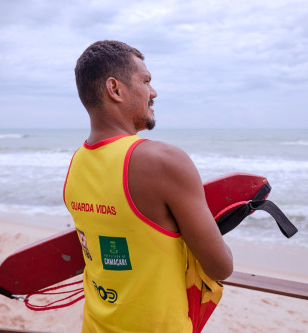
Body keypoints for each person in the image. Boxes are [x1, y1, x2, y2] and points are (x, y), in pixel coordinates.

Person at [64, 40, 233, 333]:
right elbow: (221, 267)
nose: (153, 92)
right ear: (115, 89)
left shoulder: (76, 164)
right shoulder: (163, 161)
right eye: (145, 81)